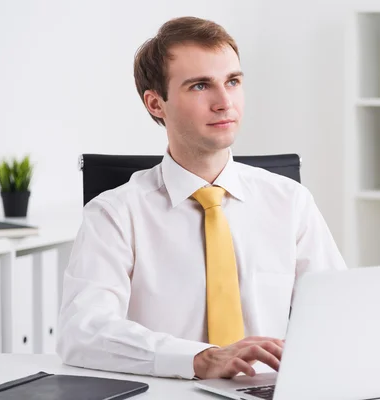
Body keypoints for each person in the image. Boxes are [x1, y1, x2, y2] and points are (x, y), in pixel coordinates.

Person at [56, 16, 346, 381]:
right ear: (155, 103)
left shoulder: (290, 202)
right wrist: (200, 359)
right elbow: (82, 331)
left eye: (233, 82)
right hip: (168, 389)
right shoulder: (115, 214)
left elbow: (339, 317)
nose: (225, 102)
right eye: (199, 86)